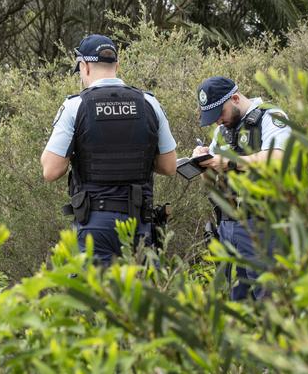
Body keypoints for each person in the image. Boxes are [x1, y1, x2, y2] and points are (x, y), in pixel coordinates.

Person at [40, 34, 177, 266]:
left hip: (95, 224)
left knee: (95, 299)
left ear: (84, 66)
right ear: (117, 65)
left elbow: (50, 171)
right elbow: (169, 166)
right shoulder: (149, 104)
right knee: (139, 300)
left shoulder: (75, 106)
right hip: (139, 222)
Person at [192, 76, 291, 300]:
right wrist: (203, 162)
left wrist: (230, 162)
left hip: (263, 226)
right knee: (237, 305)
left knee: (269, 302)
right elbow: (210, 182)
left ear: (235, 98)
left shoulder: (271, 117)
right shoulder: (223, 131)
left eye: (220, 113)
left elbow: (279, 159)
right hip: (227, 226)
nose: (218, 121)